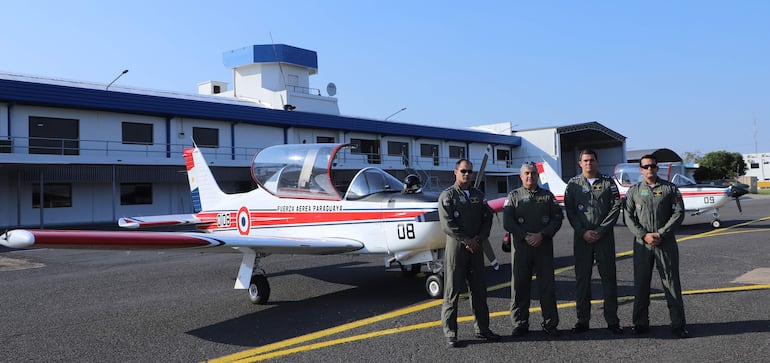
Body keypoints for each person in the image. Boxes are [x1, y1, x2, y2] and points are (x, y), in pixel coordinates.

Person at [624, 154, 690, 338]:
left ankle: (678, 324)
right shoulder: (634, 191)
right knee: (641, 284)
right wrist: (644, 235)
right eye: (645, 166)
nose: (649, 169)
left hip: (665, 243)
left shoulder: (670, 189)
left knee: (671, 283)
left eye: (652, 166)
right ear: (641, 169)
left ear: (657, 167)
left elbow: (678, 213)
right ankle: (640, 323)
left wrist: (661, 233)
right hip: (642, 244)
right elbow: (628, 216)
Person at [438, 159, 501, 347]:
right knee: (452, 292)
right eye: (463, 171)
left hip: (476, 248)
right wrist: (467, 240)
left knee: (479, 291)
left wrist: (479, 239)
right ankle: (450, 333)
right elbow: (447, 224)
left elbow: (487, 219)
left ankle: (483, 329)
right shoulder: (447, 196)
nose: (467, 174)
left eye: (470, 172)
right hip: (457, 249)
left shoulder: (478, 195)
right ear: (455, 172)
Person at [564, 150, 623, 335]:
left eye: (592, 160)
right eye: (585, 160)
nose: (589, 163)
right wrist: (583, 232)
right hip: (582, 239)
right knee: (582, 281)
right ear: (580, 163)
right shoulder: (573, 184)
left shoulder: (608, 183)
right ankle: (582, 321)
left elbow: (615, 207)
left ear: (597, 162)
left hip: (604, 238)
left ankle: (612, 321)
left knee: (609, 280)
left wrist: (600, 230)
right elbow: (570, 210)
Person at [503, 162, 564, 337]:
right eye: (527, 174)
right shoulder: (513, 196)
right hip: (521, 249)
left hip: (543, 247)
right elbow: (508, 222)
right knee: (519, 287)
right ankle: (520, 323)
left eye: (533, 174)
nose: (530, 177)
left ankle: (550, 323)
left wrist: (542, 235)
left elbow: (557, 218)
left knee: (547, 286)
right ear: (521, 176)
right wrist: (525, 236)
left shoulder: (548, 196)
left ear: (538, 176)